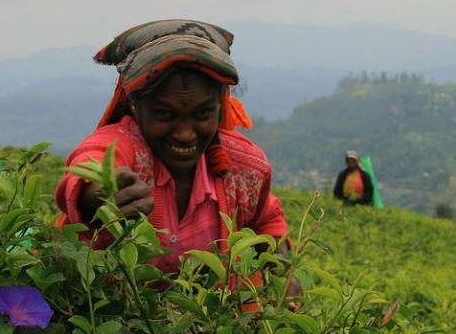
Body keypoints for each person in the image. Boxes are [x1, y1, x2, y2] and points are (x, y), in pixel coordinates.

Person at [55, 20, 288, 283]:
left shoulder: (244, 166)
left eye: (202, 113)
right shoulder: (123, 146)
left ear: (220, 106)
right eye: (164, 114)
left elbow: (267, 222)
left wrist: (281, 274)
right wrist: (99, 194)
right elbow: (89, 163)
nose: (185, 133)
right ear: (134, 104)